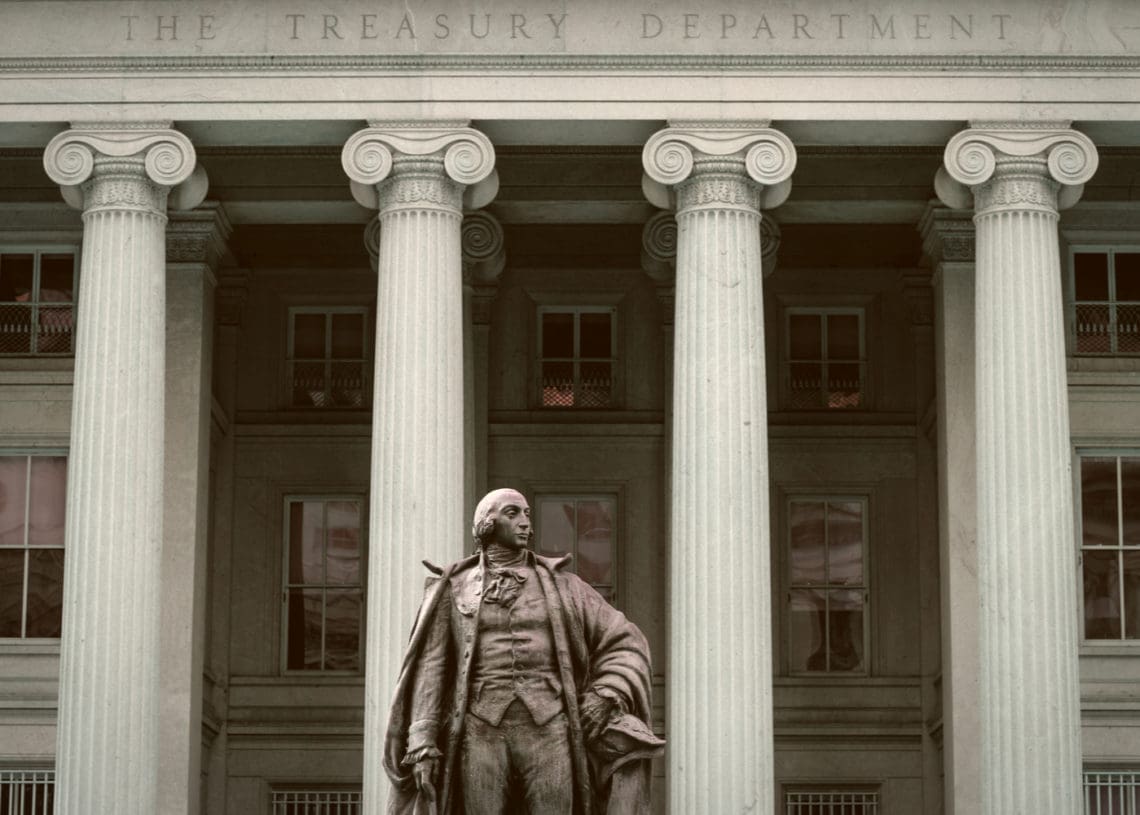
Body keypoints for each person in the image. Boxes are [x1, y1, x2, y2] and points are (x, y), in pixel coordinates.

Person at [384, 488, 663, 815]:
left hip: (550, 726)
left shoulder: (565, 586)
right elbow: (431, 668)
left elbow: (625, 639)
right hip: (480, 727)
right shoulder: (453, 588)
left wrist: (607, 693)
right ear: (486, 524)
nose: (525, 523)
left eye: (527, 514)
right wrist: (422, 741)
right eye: (512, 513)